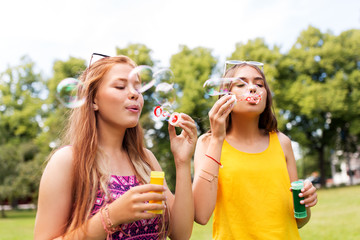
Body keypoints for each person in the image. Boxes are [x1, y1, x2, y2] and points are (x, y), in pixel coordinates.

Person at [34, 54, 196, 240]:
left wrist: (182, 162)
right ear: (93, 100)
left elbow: (181, 234)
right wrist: (111, 216)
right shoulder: (68, 161)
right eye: (120, 86)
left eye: (138, 87)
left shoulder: (145, 160)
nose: (134, 94)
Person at [193, 61, 318, 239]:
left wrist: (305, 203)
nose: (252, 88)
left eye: (259, 84)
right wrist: (217, 139)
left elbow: (299, 220)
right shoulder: (208, 143)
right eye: (241, 83)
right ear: (225, 95)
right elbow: (201, 214)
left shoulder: (282, 143)